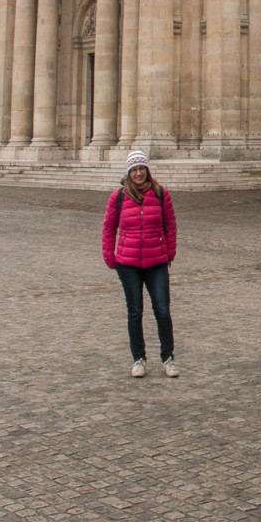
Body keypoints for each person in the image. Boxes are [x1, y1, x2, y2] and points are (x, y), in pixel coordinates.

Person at [102, 150, 179, 377]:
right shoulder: (118, 197)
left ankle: (168, 358)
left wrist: (169, 253)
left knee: (162, 311)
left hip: (156, 261)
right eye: (134, 169)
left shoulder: (161, 194)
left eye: (141, 168)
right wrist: (110, 257)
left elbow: (170, 224)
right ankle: (138, 359)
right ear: (128, 173)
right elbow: (109, 228)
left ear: (147, 170)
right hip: (128, 262)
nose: (138, 173)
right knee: (135, 312)